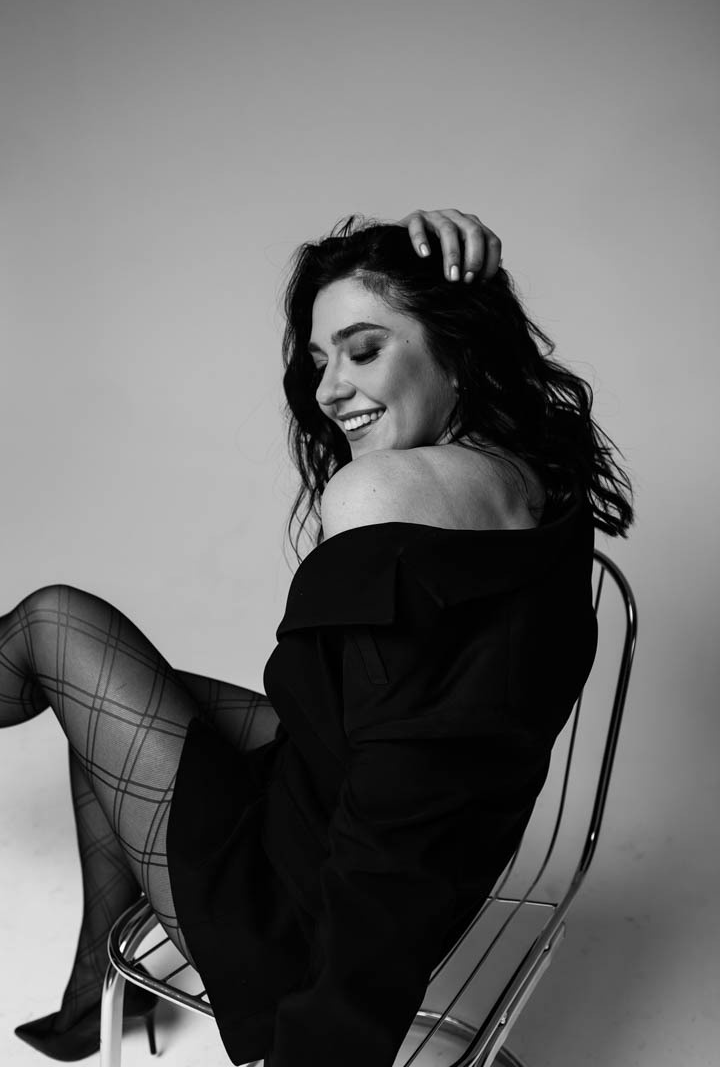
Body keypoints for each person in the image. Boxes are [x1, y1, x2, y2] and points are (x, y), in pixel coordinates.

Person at [1, 209, 634, 1067]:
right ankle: (94, 998)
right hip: (353, 809)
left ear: (459, 350)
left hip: (298, 912)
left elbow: (399, 821)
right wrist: (457, 267)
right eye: (320, 360)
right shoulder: (533, 476)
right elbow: (414, 746)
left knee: (53, 624)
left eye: (363, 351)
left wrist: (325, 1043)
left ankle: (101, 994)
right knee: (98, 704)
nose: (331, 390)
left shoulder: (383, 495)